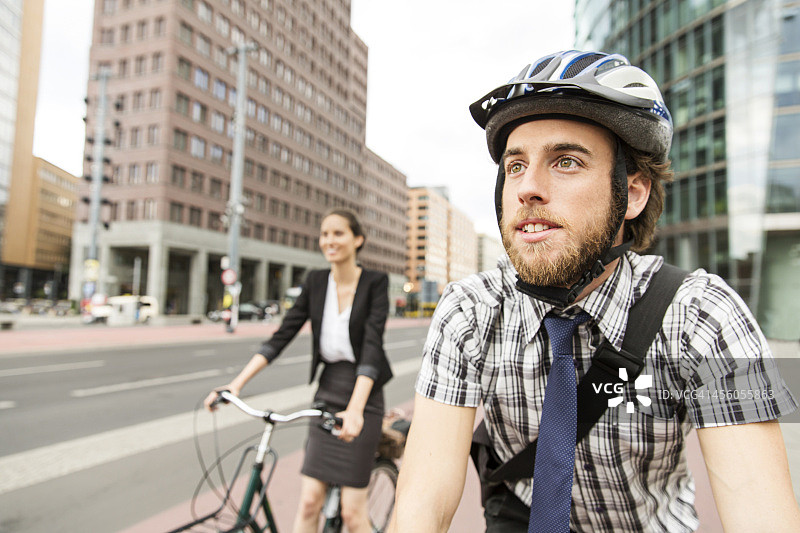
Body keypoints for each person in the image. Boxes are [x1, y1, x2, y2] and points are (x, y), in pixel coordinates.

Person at [389, 50, 800, 532]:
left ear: (635, 193)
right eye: (516, 166)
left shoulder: (704, 316)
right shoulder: (470, 311)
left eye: (565, 161)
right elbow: (421, 505)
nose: (529, 188)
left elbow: (761, 515)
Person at [205, 208, 392, 533]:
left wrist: (356, 410)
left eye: (338, 233)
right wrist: (235, 385)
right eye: (324, 234)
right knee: (308, 503)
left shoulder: (376, 282)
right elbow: (282, 336)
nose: (329, 241)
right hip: (328, 388)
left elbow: (372, 348)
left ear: (357, 239)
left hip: (365, 393)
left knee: (352, 513)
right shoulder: (316, 281)